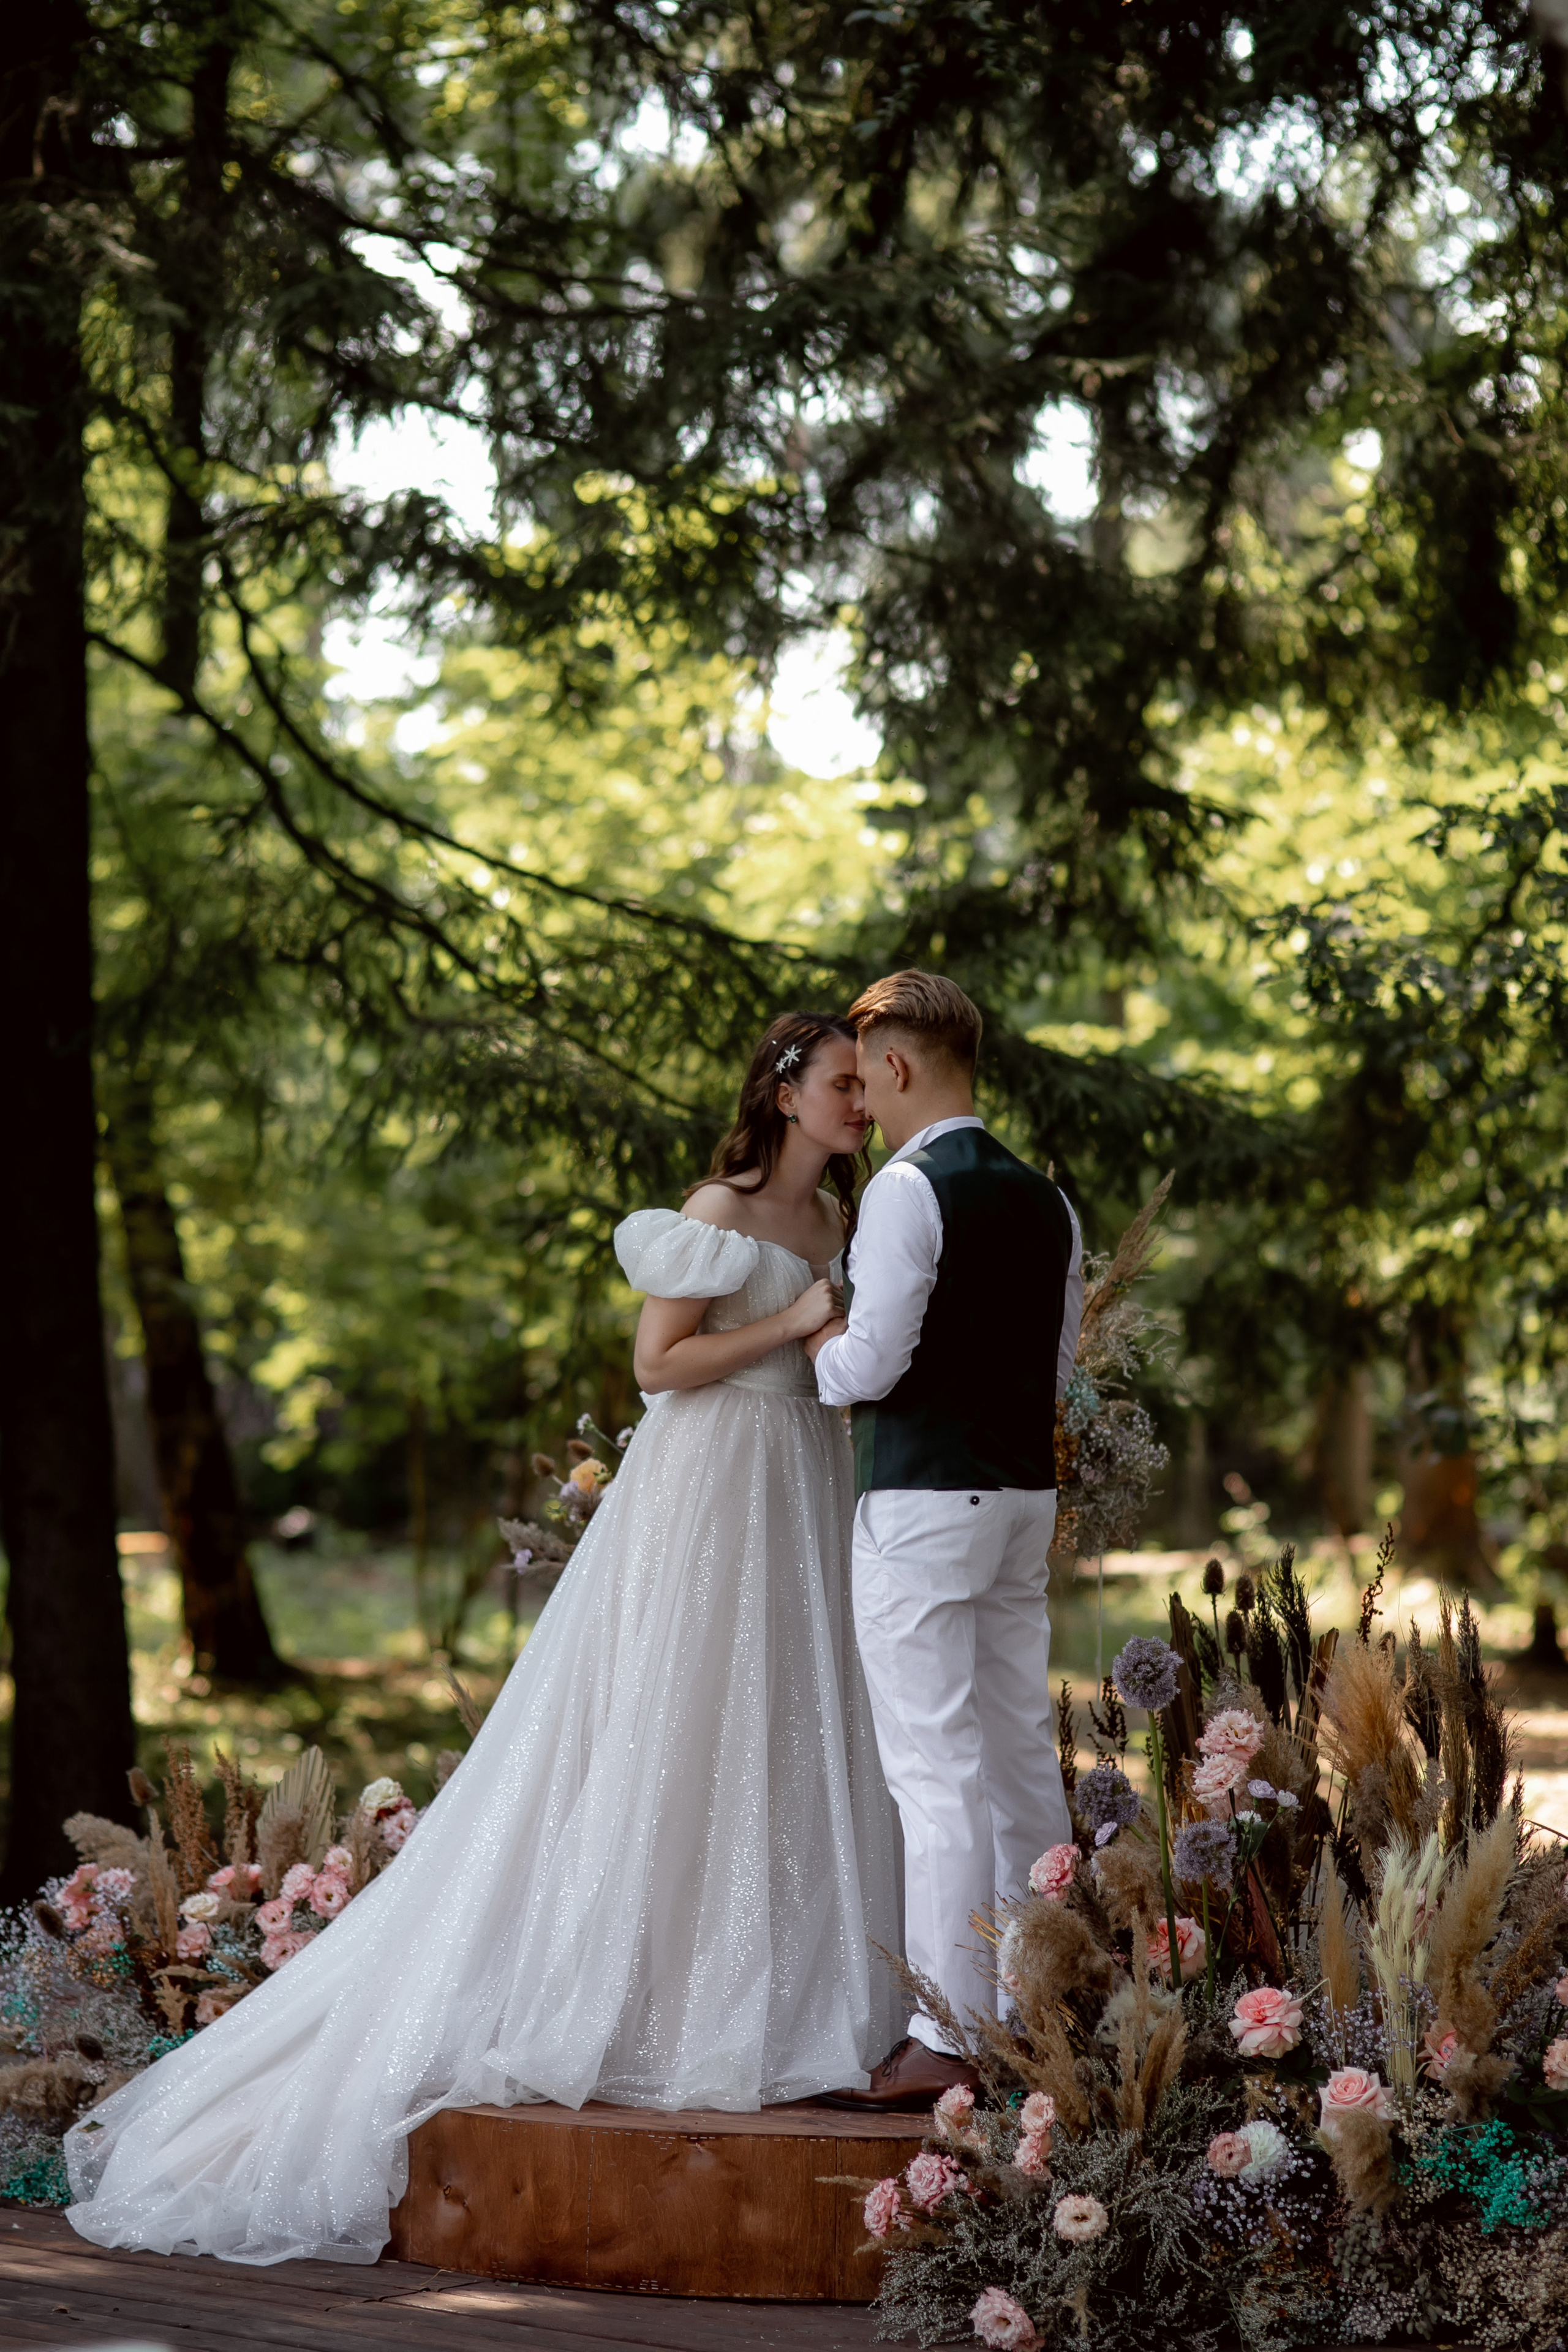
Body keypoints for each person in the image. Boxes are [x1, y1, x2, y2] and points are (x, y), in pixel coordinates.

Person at [65, 1011, 901, 2266]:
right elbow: (659, 1367)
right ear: (786, 1094)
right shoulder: (717, 1214)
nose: (858, 1104)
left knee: (784, 1725)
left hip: (798, 1486)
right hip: (713, 1488)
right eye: (841, 1083)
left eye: (863, 1087)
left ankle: (767, 1987)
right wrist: (793, 1327)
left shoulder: (838, 1220)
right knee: (684, 1720)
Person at [805, 971, 1084, 2111]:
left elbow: (866, 1369)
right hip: (1023, 1500)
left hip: (924, 1503)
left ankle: (946, 2030)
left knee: (936, 1771)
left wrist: (814, 1345)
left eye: (867, 1073)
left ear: (903, 1065)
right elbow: (1060, 1371)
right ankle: (1039, 2004)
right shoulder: (1048, 1201)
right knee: (1017, 1750)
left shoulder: (908, 1191)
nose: (863, 1097)